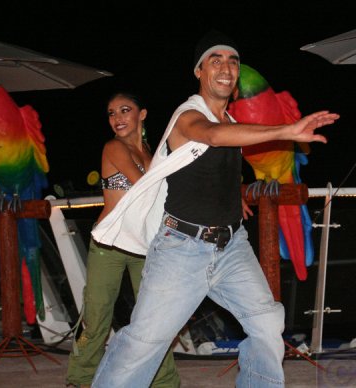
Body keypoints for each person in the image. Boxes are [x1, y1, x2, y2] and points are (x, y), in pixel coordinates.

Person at [91, 31, 339, 388]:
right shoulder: (188, 115)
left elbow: (212, 162)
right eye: (215, 60)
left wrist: (233, 194)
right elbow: (209, 136)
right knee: (144, 342)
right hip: (181, 247)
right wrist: (287, 129)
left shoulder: (233, 124)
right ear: (199, 71)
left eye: (232, 60)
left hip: (232, 246)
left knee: (267, 323)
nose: (226, 67)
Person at [66, 91, 180, 388]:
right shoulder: (113, 148)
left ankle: (165, 383)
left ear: (142, 115)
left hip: (143, 247)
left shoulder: (151, 151)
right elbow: (147, 186)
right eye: (112, 113)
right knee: (96, 320)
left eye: (125, 110)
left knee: (154, 320)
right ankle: (79, 381)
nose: (117, 118)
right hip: (109, 247)